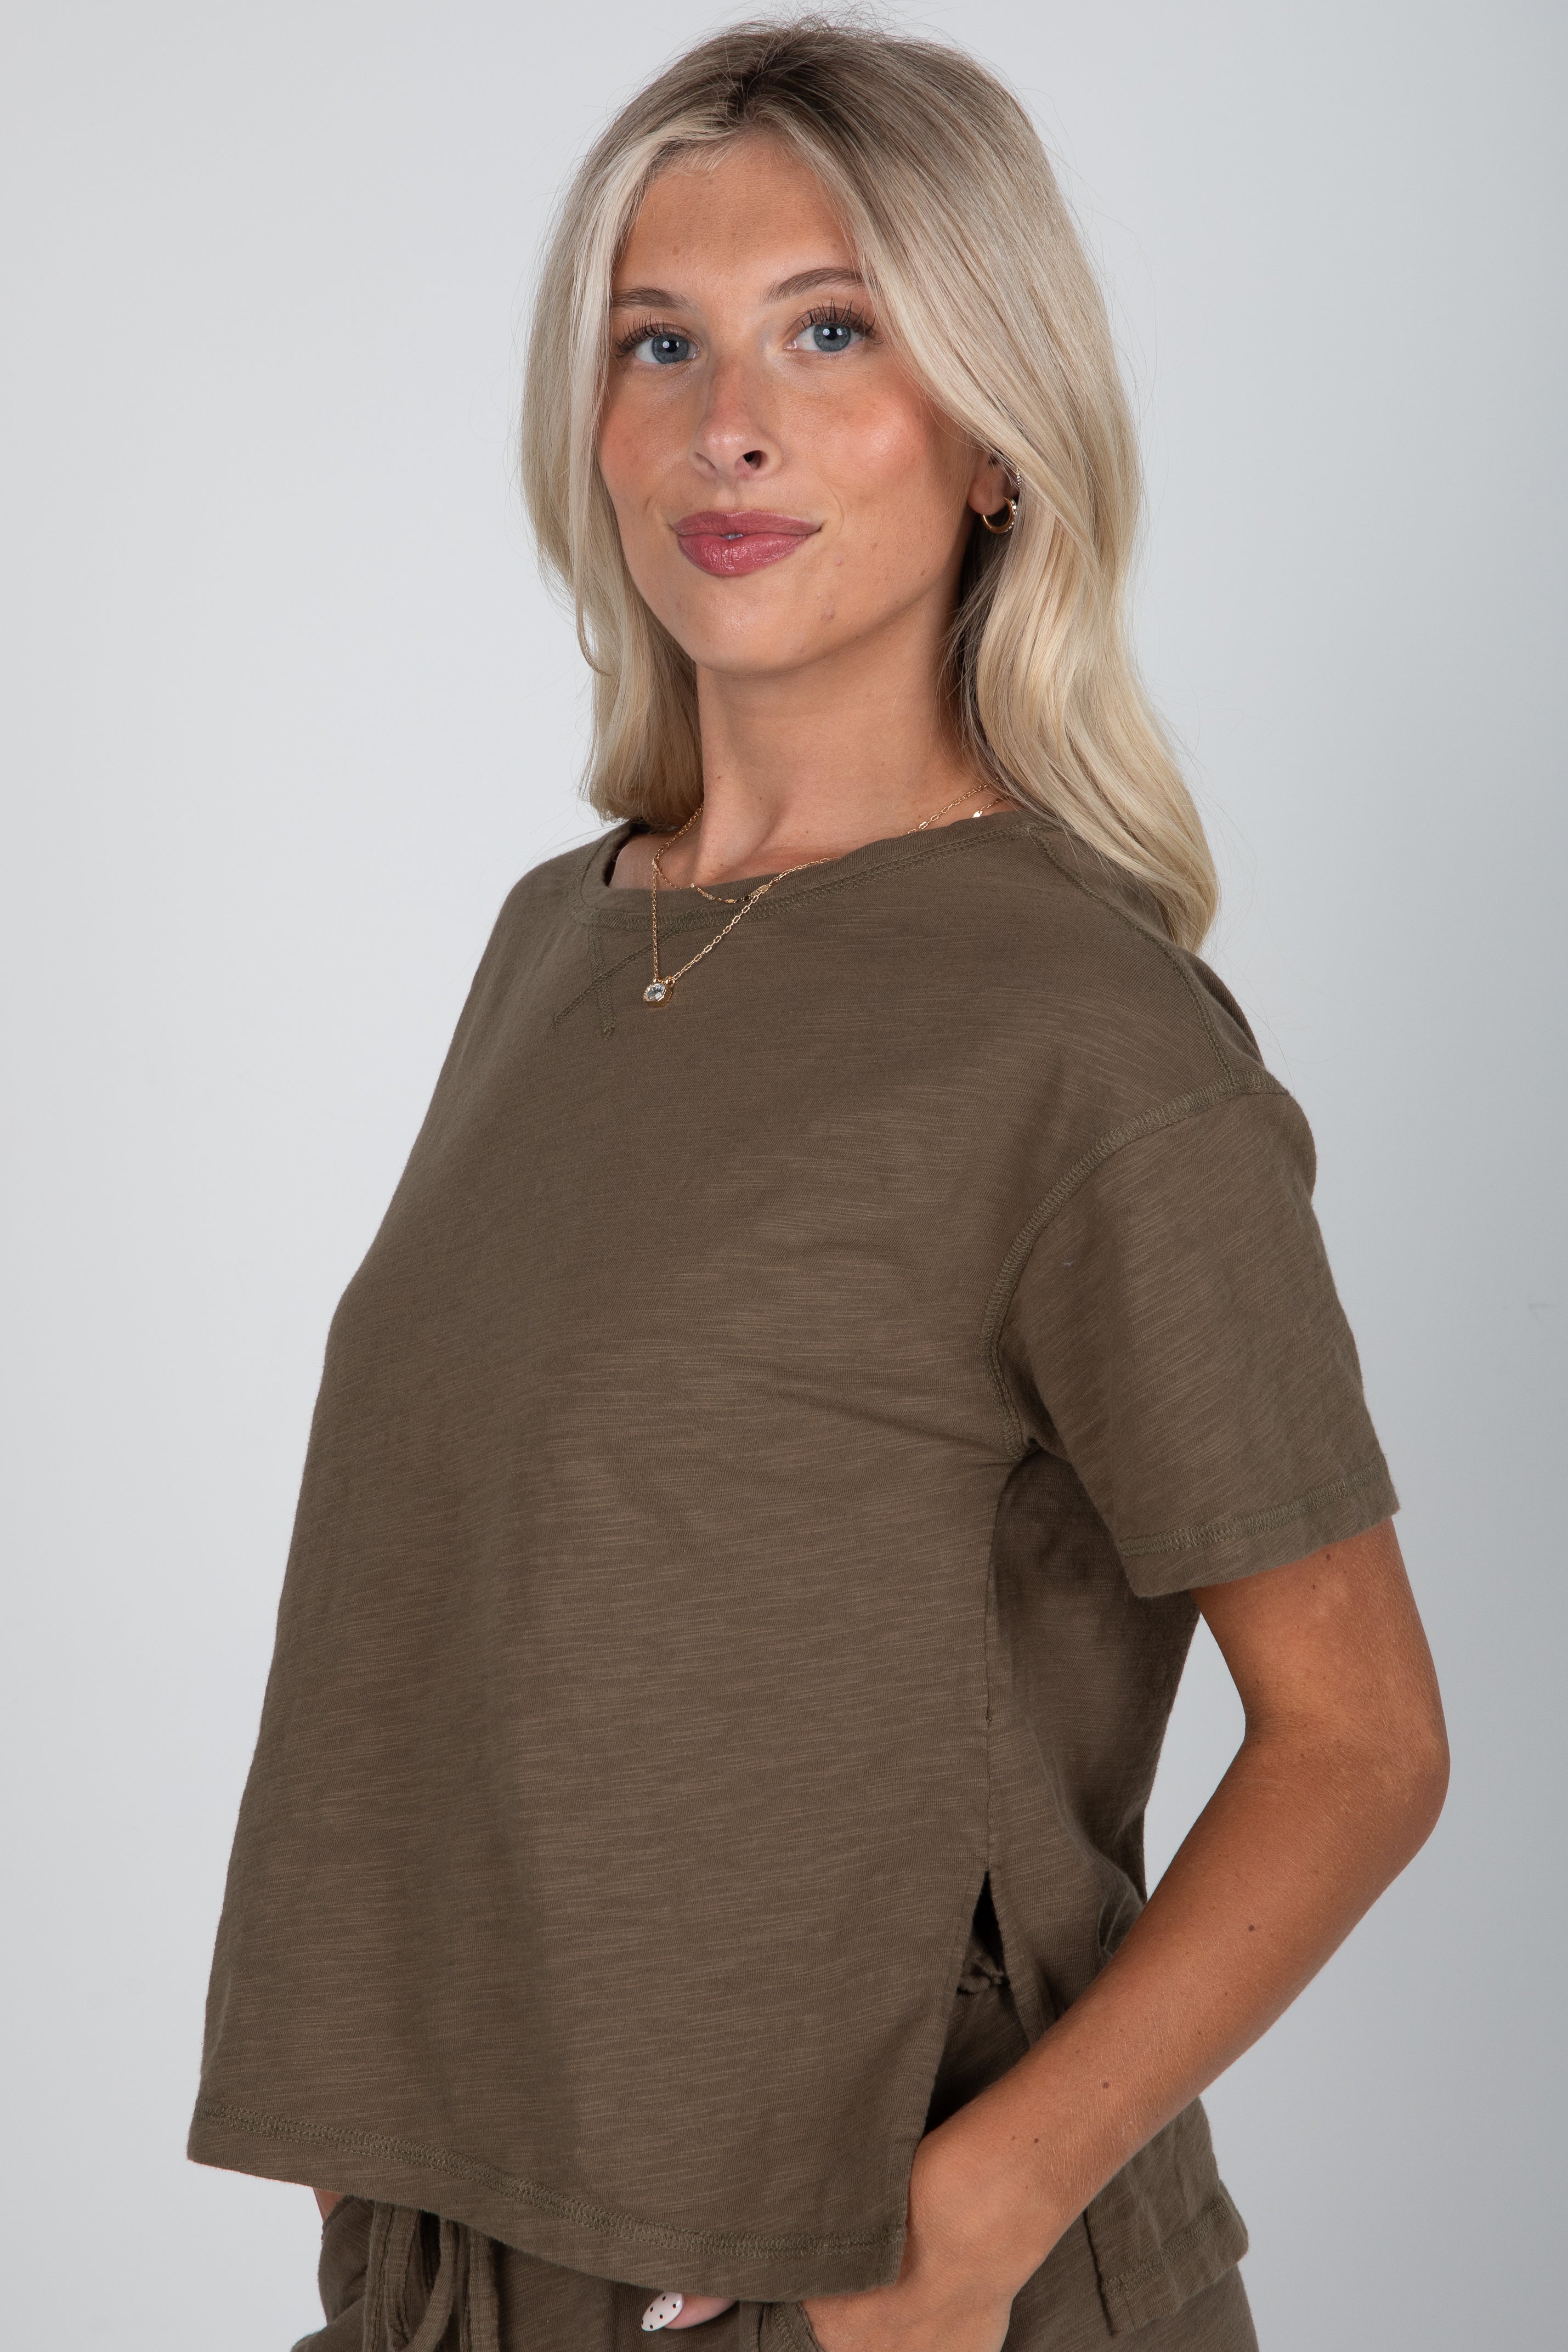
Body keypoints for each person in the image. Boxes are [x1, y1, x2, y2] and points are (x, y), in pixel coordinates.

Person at [188, 19, 1449, 2352]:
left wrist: (963, 2231)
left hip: (870, 2280)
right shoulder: (560, 943)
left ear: (990, 431)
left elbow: (1364, 1740)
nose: (721, 423)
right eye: (655, 343)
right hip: (479, 2261)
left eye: (829, 331)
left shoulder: (1077, 1031)